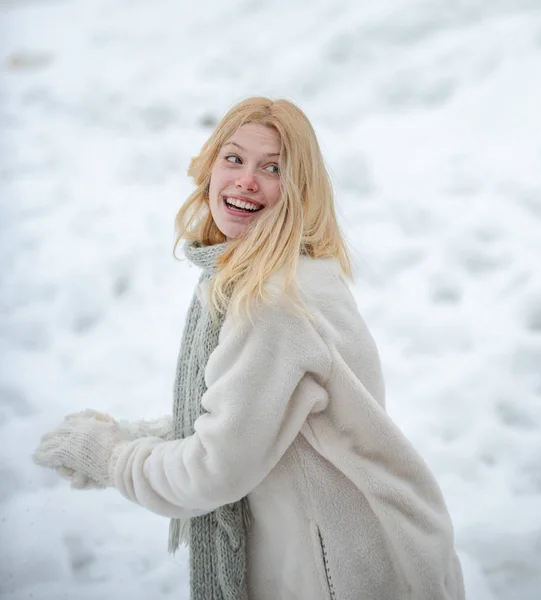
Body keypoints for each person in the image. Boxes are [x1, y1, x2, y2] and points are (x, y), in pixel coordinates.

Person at [33, 97, 465, 600]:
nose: (246, 180)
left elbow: (212, 472)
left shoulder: (275, 302)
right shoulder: (273, 276)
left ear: (299, 190)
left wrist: (109, 457)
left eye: (273, 168)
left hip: (348, 575)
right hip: (362, 555)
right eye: (234, 158)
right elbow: (258, 421)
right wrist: (139, 435)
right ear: (211, 165)